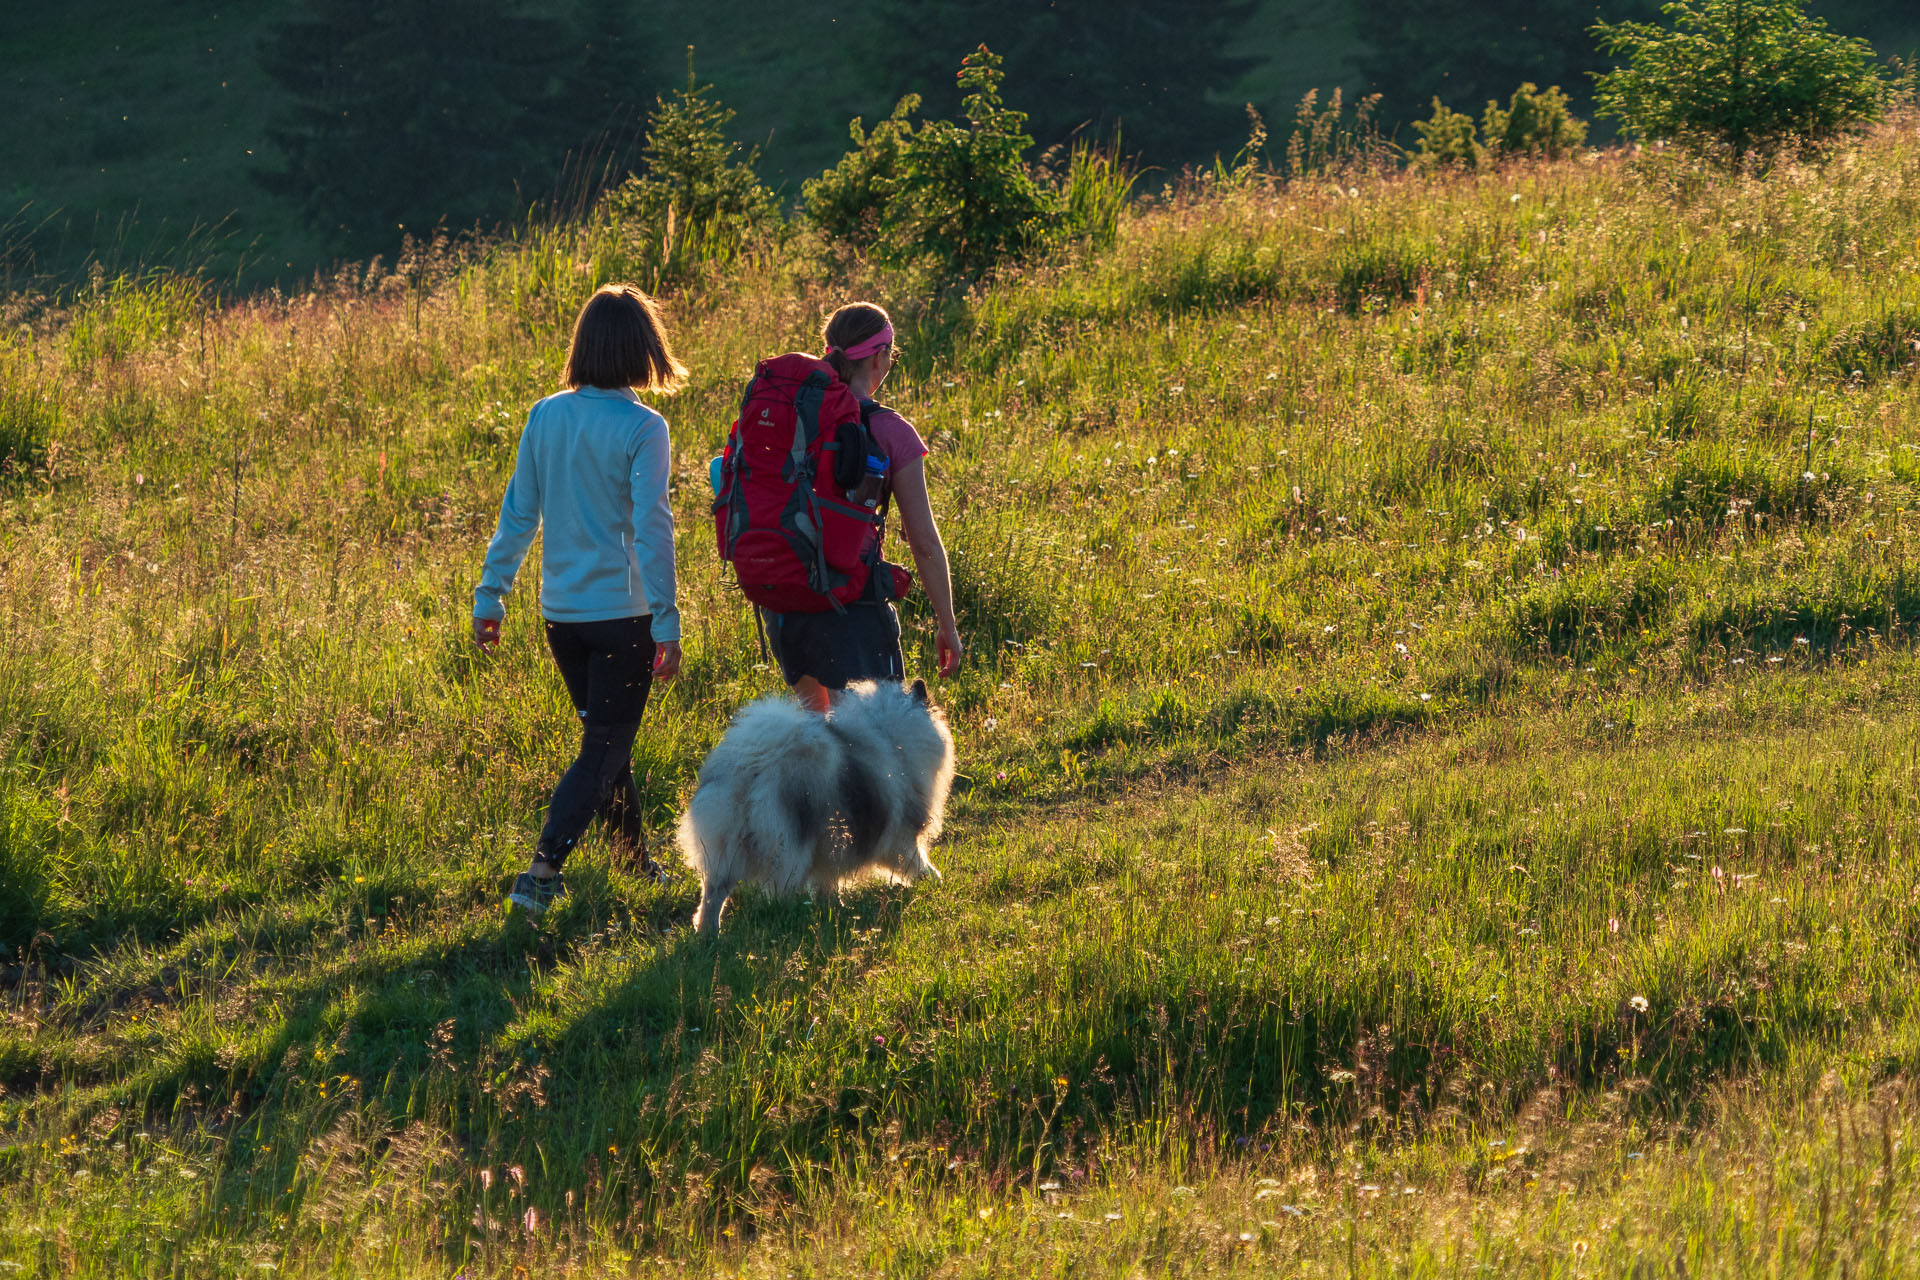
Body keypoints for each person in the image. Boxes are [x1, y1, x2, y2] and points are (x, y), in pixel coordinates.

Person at [472, 283, 686, 914]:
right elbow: (653, 526)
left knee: (605, 741)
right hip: (625, 617)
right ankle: (541, 870)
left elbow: (519, 514)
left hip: (560, 616)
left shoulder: (546, 415)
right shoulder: (645, 426)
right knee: (604, 746)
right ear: (644, 349)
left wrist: (491, 596)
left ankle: (632, 862)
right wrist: (668, 619)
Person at [760, 302, 963, 711]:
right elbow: (923, 541)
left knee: (819, 736)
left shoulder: (789, 411)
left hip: (786, 598)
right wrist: (947, 624)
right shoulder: (889, 429)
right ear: (879, 356)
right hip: (854, 603)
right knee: (876, 744)